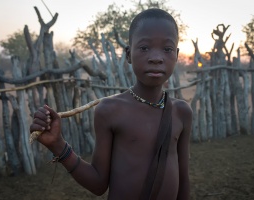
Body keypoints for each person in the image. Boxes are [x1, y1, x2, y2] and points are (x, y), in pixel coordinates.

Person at [30, 8, 192, 200]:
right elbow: (98, 184)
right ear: (129, 55)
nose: (156, 57)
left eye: (167, 49)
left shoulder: (181, 112)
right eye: (144, 47)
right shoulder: (110, 110)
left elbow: (183, 179)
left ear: (176, 54)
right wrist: (58, 145)